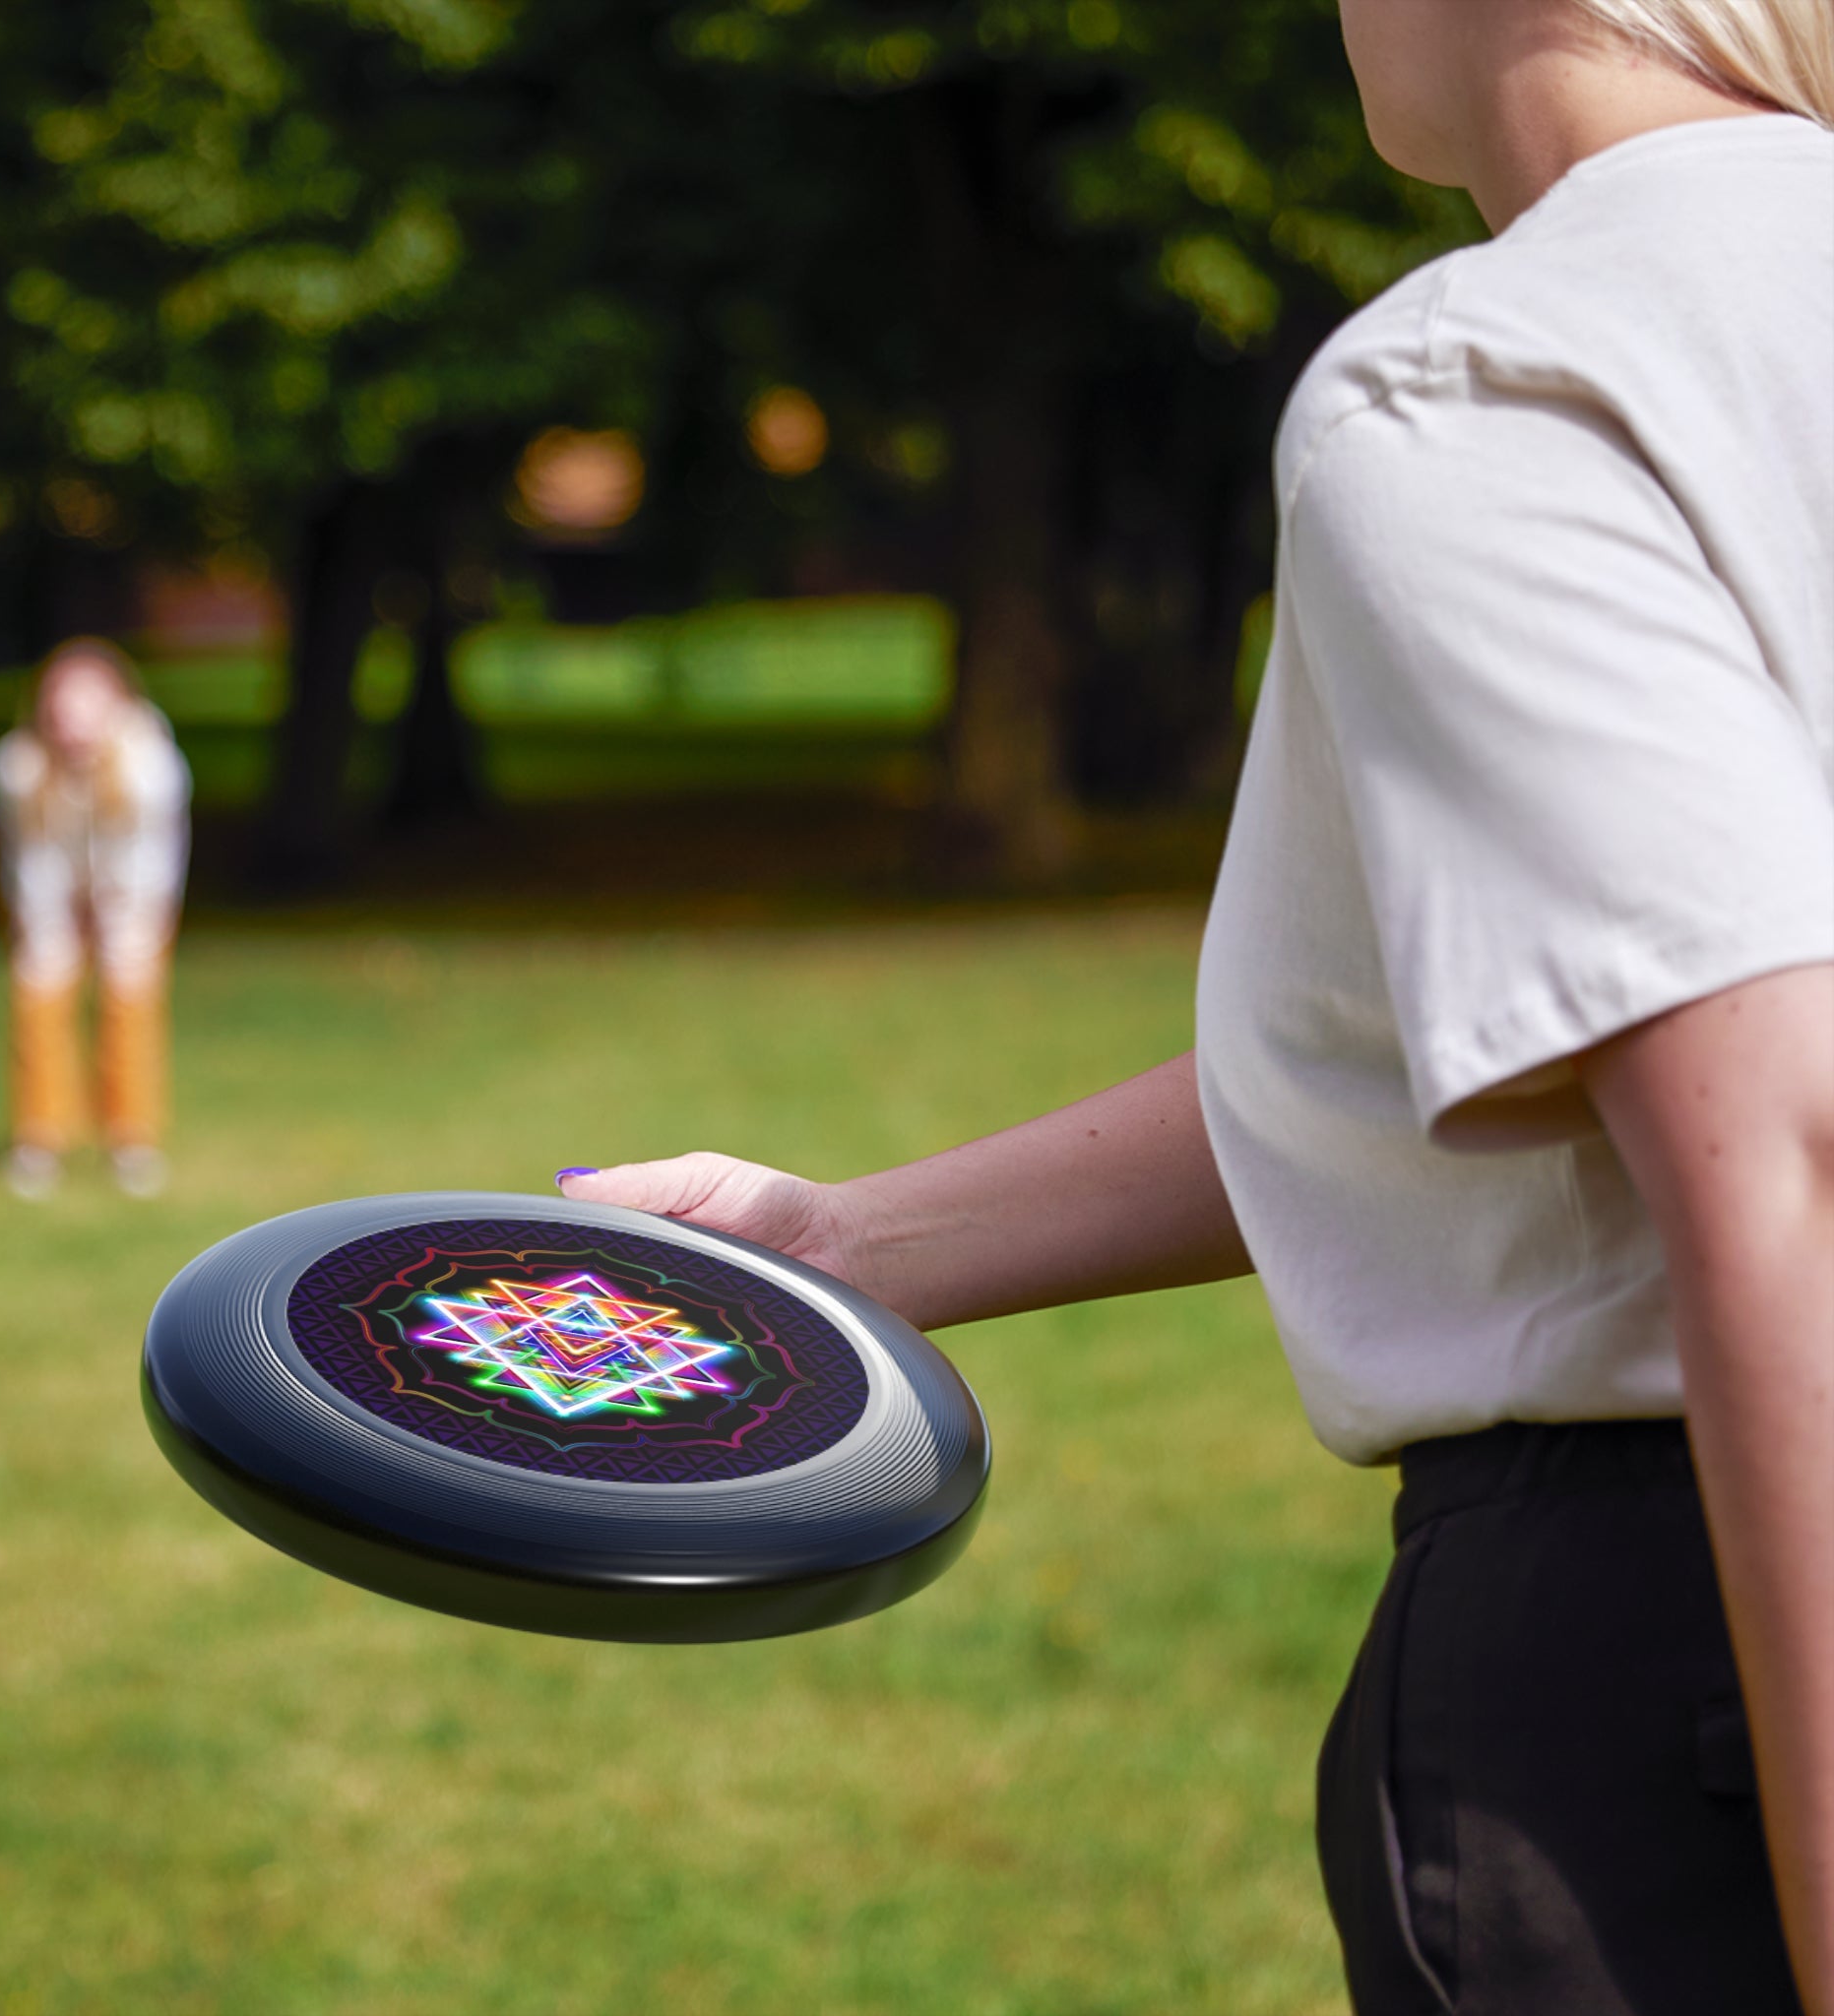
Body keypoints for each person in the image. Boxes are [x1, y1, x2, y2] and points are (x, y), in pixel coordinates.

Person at [555, 2, 1834, 2009]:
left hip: (1689, 1662)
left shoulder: (1495, 377)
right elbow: (1533, 1028)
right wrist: (847, 1242)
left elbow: (1784, 1146)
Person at [0, 638, 191, 1200]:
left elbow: (150, 860)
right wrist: (52, 926)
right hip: (48, 893)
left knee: (130, 1000)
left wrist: (118, 919)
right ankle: (39, 1139)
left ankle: (131, 1140)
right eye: (62, 704)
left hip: (133, 895)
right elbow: (31, 859)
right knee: (39, 993)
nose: (73, 720)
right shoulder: (17, 767)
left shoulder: (151, 765)